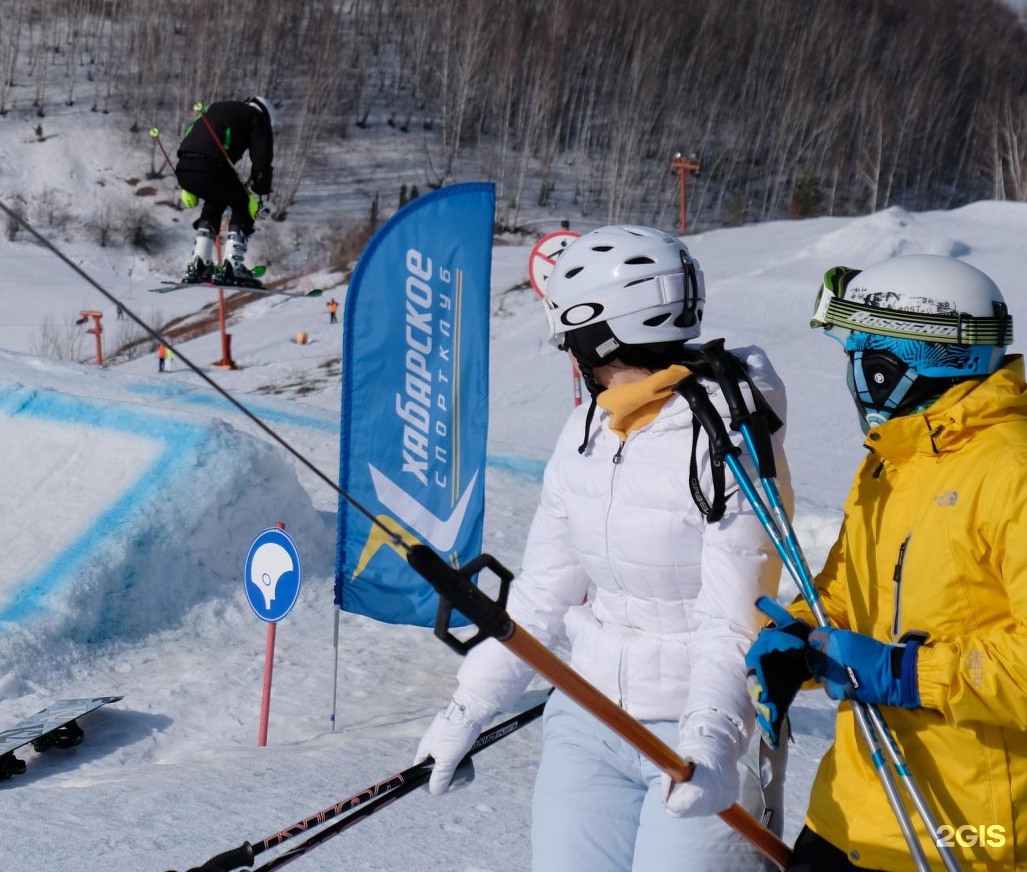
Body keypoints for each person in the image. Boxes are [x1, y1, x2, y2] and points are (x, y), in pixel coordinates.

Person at [416, 225, 788, 872]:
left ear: (599, 332)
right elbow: (542, 593)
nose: (569, 354)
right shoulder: (589, 426)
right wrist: (469, 705)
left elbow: (737, 619)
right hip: (589, 718)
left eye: (571, 338)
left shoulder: (728, 433)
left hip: (694, 732)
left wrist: (713, 740)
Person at [746, 254, 1024, 871]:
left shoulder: (1012, 471)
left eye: (863, 361)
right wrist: (799, 635)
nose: (854, 380)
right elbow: (847, 593)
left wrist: (905, 675)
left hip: (969, 835)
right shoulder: (892, 462)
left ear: (904, 361)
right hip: (851, 811)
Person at [175, 96, 275, 289]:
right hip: (211, 166)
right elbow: (262, 159)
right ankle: (233, 267)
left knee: (216, 200)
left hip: (183, 167)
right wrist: (260, 193)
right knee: (243, 204)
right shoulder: (257, 117)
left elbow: (191, 133)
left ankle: (199, 264)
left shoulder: (216, 108)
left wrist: (187, 186)